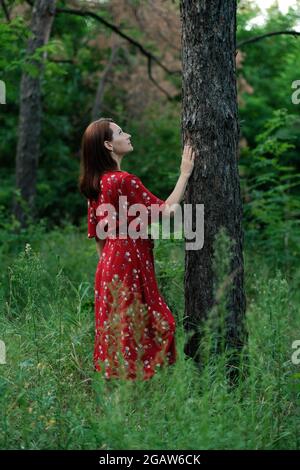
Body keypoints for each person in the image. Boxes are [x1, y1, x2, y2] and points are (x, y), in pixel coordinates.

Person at [79, 118, 195, 380]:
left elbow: (98, 236)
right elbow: (166, 211)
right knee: (155, 323)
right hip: (128, 260)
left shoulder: (95, 184)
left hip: (108, 264)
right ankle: (140, 391)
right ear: (109, 144)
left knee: (123, 330)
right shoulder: (123, 181)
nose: (128, 135)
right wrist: (185, 173)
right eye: (121, 132)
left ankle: (125, 394)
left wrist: (107, 270)